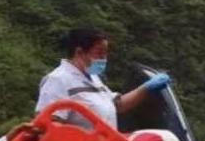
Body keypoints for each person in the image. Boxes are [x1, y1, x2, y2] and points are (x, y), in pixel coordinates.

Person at [36, 28, 170, 129]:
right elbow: (49, 125)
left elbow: (118, 105)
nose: (104, 59)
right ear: (79, 52)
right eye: (99, 53)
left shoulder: (93, 78)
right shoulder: (58, 80)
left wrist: (147, 88)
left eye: (106, 54)